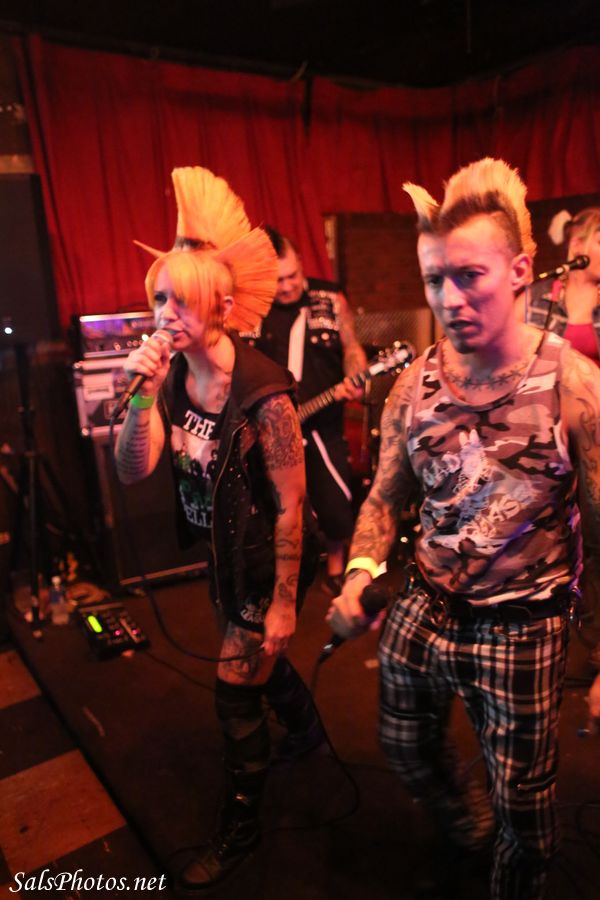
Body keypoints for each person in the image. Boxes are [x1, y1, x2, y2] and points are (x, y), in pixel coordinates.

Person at [327, 157, 600, 899]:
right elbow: (383, 498)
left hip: (523, 626)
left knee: (526, 810)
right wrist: (359, 573)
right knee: (403, 748)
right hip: (426, 602)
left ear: (519, 271)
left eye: (470, 276)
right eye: (434, 280)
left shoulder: (572, 385)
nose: (450, 298)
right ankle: (466, 828)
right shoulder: (412, 385)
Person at [115, 167, 322, 889]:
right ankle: (306, 728)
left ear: (224, 307)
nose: (165, 313)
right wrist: (142, 395)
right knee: (259, 659)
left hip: (268, 556)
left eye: (182, 299)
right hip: (223, 552)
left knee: (234, 692)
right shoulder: (172, 378)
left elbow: (292, 504)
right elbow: (133, 470)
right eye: (159, 297)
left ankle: (241, 828)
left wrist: (285, 602)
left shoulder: (264, 395)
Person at [242, 226, 368, 594]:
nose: (286, 286)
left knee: (335, 501)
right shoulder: (254, 307)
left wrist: (356, 373)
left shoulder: (329, 298)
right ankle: (282, 572)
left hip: (323, 421)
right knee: (278, 504)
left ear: (302, 265)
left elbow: (351, 346)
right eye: (278, 279)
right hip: (270, 425)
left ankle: (335, 566)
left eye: (292, 276)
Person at [527, 207, 600, 671]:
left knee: (595, 532)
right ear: (577, 246)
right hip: (547, 432)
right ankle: (556, 635)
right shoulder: (540, 296)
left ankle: (594, 641)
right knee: (553, 532)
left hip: (595, 434)